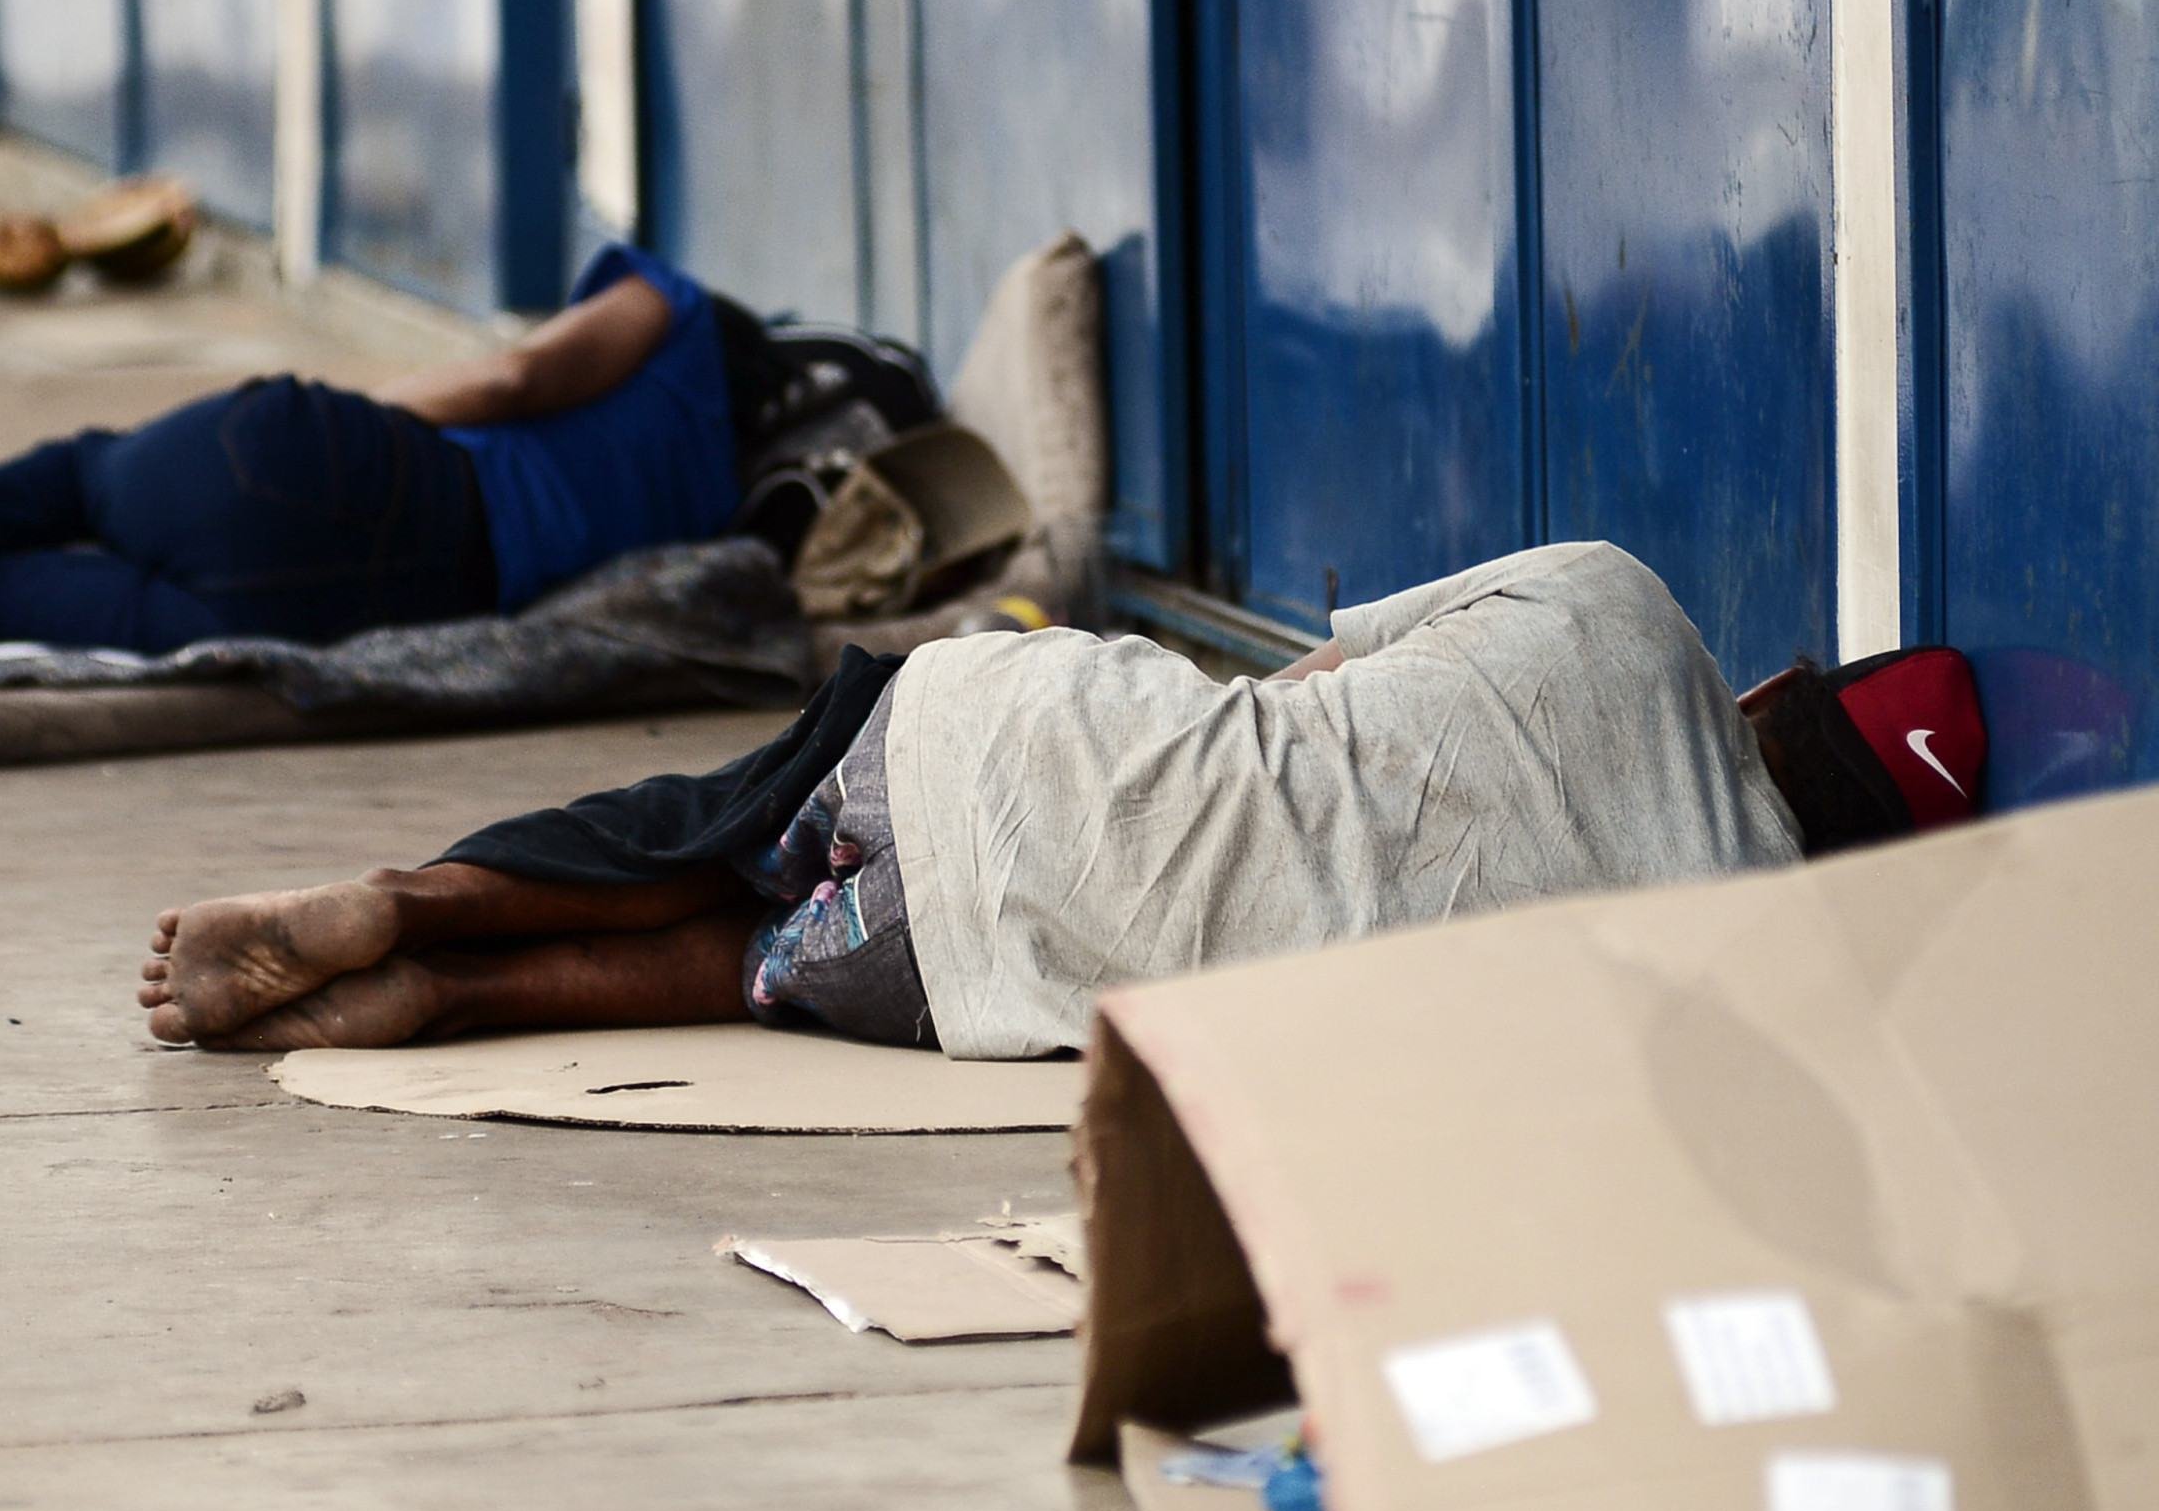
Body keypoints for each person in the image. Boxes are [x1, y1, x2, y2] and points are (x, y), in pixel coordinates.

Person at [136, 543, 1989, 1059]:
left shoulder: (1612, 603)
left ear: (1767, 692)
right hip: (1000, 971)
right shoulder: (1718, 972)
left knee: (711, 821)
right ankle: (444, 993)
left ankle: (418, 902)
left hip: (999, 741)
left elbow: (1321, 681)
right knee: (753, 957)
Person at [0, 244, 782, 697]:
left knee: (90, 473)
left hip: (355, 475)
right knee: (34, 604)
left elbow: (514, 376)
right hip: (393, 597)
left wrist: (350, 426)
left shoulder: (679, 315)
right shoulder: (724, 501)